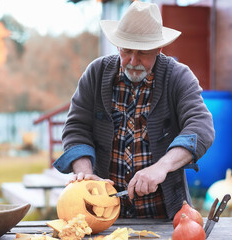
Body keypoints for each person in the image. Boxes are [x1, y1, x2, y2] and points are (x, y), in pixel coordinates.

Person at [53, 1, 215, 219]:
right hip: (103, 213)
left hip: (165, 214)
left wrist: (161, 167)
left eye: (143, 53)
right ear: (118, 46)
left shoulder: (178, 77)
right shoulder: (96, 73)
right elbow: (76, 127)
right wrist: (86, 175)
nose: (133, 61)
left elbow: (201, 127)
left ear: (158, 49)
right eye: (127, 51)